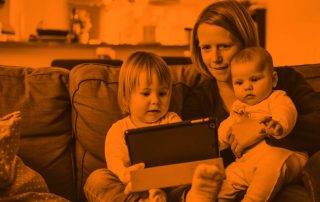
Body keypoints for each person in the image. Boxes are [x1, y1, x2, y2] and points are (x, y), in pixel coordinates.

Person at [178, 0, 320, 201]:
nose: (215, 58)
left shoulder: (283, 80)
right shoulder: (199, 100)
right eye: (206, 48)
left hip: (285, 170)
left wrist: (261, 130)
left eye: (224, 46)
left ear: (245, 43)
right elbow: (198, 156)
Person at [85, 51, 185, 202]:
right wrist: (126, 174)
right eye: (146, 94)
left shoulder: (172, 120)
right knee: (97, 179)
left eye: (162, 93)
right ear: (126, 98)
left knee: (193, 178)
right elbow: (116, 166)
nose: (155, 100)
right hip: (133, 189)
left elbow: (182, 157)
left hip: (167, 185)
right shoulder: (118, 130)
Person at [217, 46, 308, 201]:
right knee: (228, 175)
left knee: (271, 162)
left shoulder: (276, 98)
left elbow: (286, 111)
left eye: (254, 79)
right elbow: (226, 129)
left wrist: (279, 125)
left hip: (285, 157)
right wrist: (216, 142)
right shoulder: (238, 108)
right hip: (248, 164)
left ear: (273, 79)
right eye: (239, 82)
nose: (247, 87)